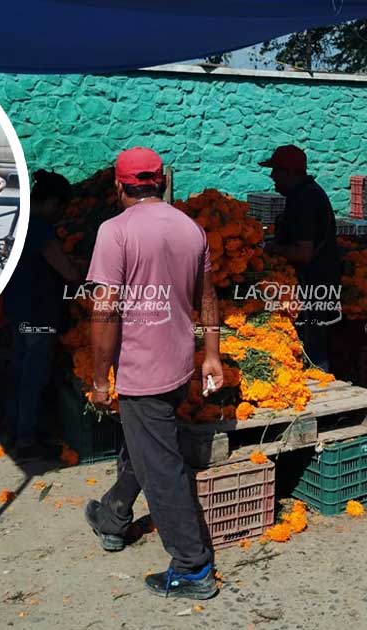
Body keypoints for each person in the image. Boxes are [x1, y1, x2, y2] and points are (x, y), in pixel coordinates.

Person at [83, 147, 223, 600]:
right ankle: (114, 515)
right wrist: (212, 355)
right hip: (179, 363)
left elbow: (104, 311)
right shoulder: (190, 228)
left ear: (119, 187)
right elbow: (208, 295)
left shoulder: (114, 232)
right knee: (149, 449)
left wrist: (100, 379)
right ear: (163, 182)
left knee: (160, 466)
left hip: (141, 372)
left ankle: (193, 569)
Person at [2, 169, 81, 459]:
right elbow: (69, 272)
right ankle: (26, 439)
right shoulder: (39, 229)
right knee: (32, 374)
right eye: (60, 209)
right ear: (53, 204)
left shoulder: (18, 220)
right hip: (37, 313)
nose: (60, 215)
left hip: (19, 309)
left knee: (20, 371)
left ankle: (16, 431)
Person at [261, 144, 342, 371]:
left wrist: (271, 249)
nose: (272, 176)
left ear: (290, 172)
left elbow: (303, 253)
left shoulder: (304, 200)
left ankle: (322, 393)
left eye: (276, 171)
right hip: (318, 282)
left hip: (314, 286)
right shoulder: (306, 193)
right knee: (313, 342)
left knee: (313, 347)